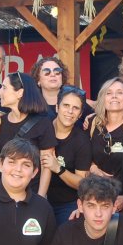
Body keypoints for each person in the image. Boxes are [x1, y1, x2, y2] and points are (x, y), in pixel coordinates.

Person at [0, 71, 56, 196]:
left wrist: (40, 198)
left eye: (4, 88)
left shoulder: (42, 123)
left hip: (29, 196)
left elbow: (47, 165)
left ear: (19, 93)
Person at [88, 77, 123, 213]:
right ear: (102, 98)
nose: (114, 97)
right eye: (109, 93)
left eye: (119, 92)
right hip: (95, 198)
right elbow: (81, 155)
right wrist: (93, 168)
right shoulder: (93, 124)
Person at [42, 85, 92, 225]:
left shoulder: (82, 141)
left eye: (75, 108)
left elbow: (81, 183)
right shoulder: (42, 128)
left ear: (81, 113)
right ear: (57, 107)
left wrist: (58, 168)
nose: (70, 111)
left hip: (67, 204)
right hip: (36, 197)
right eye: (66, 105)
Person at [30, 56, 93, 120]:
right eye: (47, 73)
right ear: (38, 80)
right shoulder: (30, 105)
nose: (53, 75)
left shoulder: (76, 100)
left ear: (62, 77)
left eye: (57, 72)